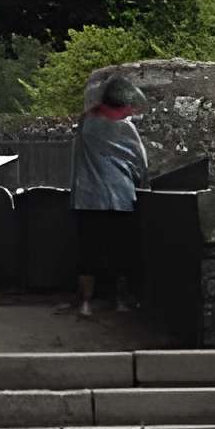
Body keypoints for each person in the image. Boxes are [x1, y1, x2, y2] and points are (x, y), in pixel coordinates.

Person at [70, 74, 152, 316]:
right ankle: (121, 301)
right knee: (121, 251)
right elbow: (140, 162)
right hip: (120, 197)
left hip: (87, 197)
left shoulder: (86, 122)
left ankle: (85, 303)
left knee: (88, 252)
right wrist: (143, 182)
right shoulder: (126, 128)